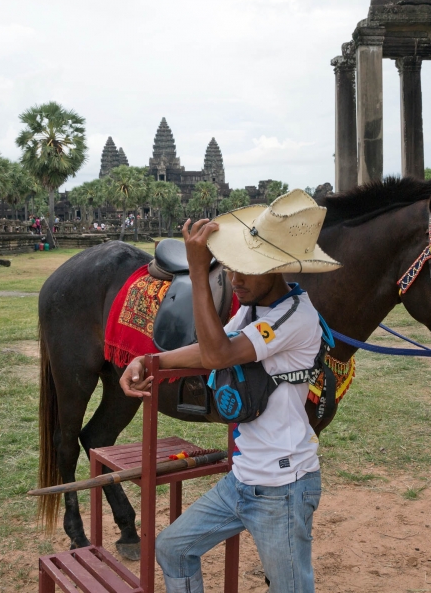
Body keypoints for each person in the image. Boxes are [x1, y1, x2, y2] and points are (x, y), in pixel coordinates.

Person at [119, 190, 340, 593]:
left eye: (245, 271)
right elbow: (213, 345)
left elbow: (219, 353)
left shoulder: (295, 317)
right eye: (231, 269)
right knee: (172, 548)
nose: (234, 280)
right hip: (243, 480)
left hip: (283, 488)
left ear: (276, 269)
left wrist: (199, 273)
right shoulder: (253, 309)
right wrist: (152, 360)